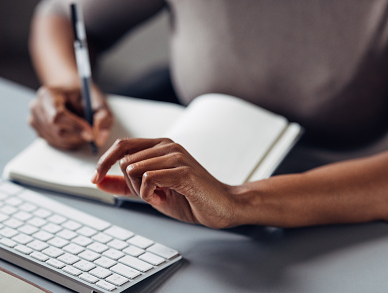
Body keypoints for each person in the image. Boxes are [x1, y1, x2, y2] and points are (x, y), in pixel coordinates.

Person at [28, 0, 388, 229]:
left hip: (346, 193)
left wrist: (242, 201)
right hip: (198, 178)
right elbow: (61, 14)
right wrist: (66, 83)